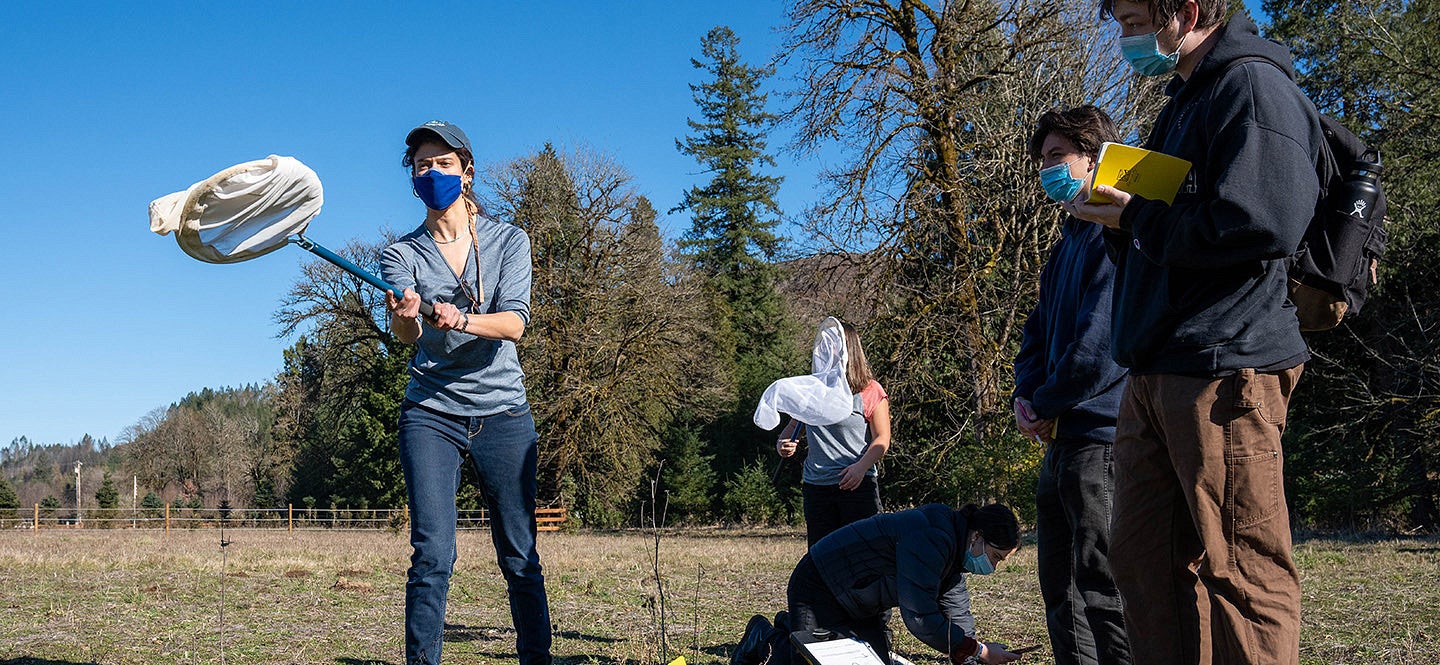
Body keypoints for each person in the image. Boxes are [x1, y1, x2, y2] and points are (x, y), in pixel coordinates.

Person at [1067, 3, 1324, 664]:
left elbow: (1264, 220)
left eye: (1130, 19)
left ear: (1183, 10)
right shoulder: (1183, 99)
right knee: (1143, 565)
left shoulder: (1251, 86)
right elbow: (1170, 219)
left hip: (1225, 363)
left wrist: (1141, 219)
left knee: (1242, 571)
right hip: (1156, 366)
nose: (1122, 37)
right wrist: (1118, 218)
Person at [380, 120, 552, 665]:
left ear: (468, 173)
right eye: (422, 165)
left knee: (519, 554)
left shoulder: (509, 240)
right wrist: (408, 316)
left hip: (503, 412)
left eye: (444, 163)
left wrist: (463, 319)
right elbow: (405, 337)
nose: (432, 173)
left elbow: (515, 324)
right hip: (431, 412)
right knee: (432, 554)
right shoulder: (400, 255)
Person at [1015, 105, 1131, 665]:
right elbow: (1036, 334)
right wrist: (1024, 395)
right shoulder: (1064, 244)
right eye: (1043, 160)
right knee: (1058, 591)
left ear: (1095, 160)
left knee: (1104, 587)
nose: (1048, 169)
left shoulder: (1112, 239)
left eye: (1058, 157)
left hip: (1101, 439)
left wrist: (1044, 400)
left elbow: (1099, 350)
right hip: (1058, 440)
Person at [744, 503, 1024, 665]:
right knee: (812, 662)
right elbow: (921, 617)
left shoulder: (955, 554)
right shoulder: (932, 539)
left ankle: (789, 628)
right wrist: (979, 650)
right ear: (977, 536)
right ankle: (764, 638)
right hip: (821, 584)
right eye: (996, 557)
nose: (994, 567)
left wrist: (971, 656)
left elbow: (956, 613)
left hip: (861, 599)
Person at [775, 318, 893, 546]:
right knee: (822, 558)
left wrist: (860, 468)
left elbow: (882, 439)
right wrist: (784, 445)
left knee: (864, 555)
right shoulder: (814, 390)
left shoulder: (870, 390)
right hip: (817, 487)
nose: (826, 350)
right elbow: (790, 431)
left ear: (848, 350)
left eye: (833, 344)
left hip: (858, 486)